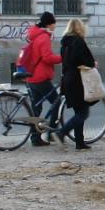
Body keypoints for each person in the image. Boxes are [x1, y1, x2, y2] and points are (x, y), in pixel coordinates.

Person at [56, 18, 96, 150]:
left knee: (79, 111)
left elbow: (65, 61)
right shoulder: (78, 41)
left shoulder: (64, 43)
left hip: (68, 79)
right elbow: (81, 60)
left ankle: (80, 142)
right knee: (83, 113)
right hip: (78, 81)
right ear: (79, 28)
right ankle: (61, 132)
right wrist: (91, 63)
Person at [24, 12, 63, 147]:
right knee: (57, 102)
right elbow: (47, 57)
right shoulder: (44, 37)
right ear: (49, 24)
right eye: (54, 23)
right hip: (41, 77)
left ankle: (35, 139)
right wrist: (62, 58)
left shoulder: (34, 35)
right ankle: (51, 133)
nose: (55, 25)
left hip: (31, 76)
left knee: (36, 109)